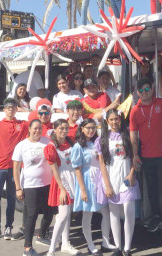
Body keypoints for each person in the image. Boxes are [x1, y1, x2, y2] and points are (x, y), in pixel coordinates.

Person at [130, 77, 162, 233]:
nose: (144, 92)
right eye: (141, 90)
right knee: (152, 189)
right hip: (147, 156)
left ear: (152, 89)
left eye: (147, 89)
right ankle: (157, 216)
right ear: (138, 92)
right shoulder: (135, 110)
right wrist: (135, 154)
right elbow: (133, 135)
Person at [0, 98, 29, 242]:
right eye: (8, 107)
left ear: (17, 109)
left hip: (14, 169)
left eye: (13, 107)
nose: (10, 109)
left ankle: (8, 227)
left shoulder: (23, 125)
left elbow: (37, 120)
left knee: (11, 199)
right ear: (4, 109)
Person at [96, 109, 140, 256]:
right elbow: (102, 164)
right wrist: (107, 185)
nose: (114, 122)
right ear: (107, 121)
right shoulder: (102, 139)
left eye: (117, 119)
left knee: (129, 211)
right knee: (114, 213)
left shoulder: (128, 135)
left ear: (121, 120)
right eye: (111, 120)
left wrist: (132, 174)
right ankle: (118, 247)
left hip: (127, 177)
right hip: (111, 177)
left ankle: (127, 248)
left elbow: (135, 157)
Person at [72, 118, 115, 255]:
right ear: (82, 129)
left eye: (93, 127)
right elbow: (77, 169)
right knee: (88, 214)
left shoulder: (97, 143)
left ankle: (105, 242)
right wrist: (83, 190)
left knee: (106, 212)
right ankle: (90, 245)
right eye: (88, 128)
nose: (91, 130)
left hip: (99, 180)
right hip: (87, 181)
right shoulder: (78, 146)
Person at [12, 120, 54, 256]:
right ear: (29, 129)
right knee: (32, 216)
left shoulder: (47, 141)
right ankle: (27, 248)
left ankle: (42, 235)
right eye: (35, 128)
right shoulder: (22, 146)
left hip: (48, 184)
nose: (37, 130)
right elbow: (16, 169)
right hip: (31, 186)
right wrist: (18, 188)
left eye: (40, 128)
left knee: (49, 212)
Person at [45, 119, 79, 256]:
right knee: (63, 215)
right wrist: (62, 189)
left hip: (73, 179)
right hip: (61, 182)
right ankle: (52, 249)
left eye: (66, 128)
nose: (64, 131)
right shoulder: (51, 147)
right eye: (61, 128)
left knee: (67, 214)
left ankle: (65, 243)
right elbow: (55, 171)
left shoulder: (70, 141)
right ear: (54, 129)